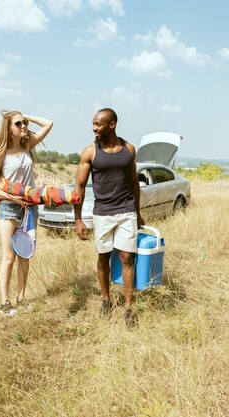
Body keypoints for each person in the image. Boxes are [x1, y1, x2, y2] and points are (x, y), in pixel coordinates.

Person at [74, 108, 144, 327]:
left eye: (98, 124)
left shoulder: (129, 149)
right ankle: (106, 300)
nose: (94, 128)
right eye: (93, 124)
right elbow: (79, 186)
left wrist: (138, 212)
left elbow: (134, 182)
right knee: (104, 257)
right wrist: (78, 219)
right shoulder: (90, 152)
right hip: (102, 213)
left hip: (126, 211)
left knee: (126, 257)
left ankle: (129, 307)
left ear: (111, 124)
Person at [0, 110, 53, 315]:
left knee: (25, 256)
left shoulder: (27, 146)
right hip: (9, 207)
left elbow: (48, 123)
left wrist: (27, 116)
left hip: (30, 208)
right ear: (8, 129)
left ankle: (21, 299)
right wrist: (12, 197)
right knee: (9, 257)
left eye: (24, 123)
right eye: (18, 124)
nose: (23, 126)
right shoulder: (0, 154)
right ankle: (4, 303)